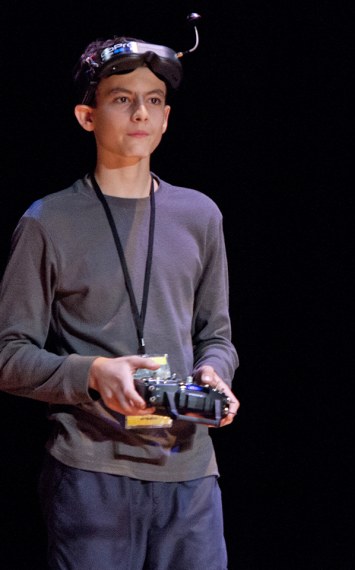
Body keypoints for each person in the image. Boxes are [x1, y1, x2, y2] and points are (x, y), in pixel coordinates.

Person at [0, 29, 240, 570]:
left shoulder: (200, 215)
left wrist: (213, 373)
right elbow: (8, 354)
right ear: (87, 117)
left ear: (167, 119)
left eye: (154, 101)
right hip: (91, 475)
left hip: (190, 473)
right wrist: (94, 373)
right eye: (122, 99)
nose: (141, 113)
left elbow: (217, 336)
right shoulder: (48, 221)